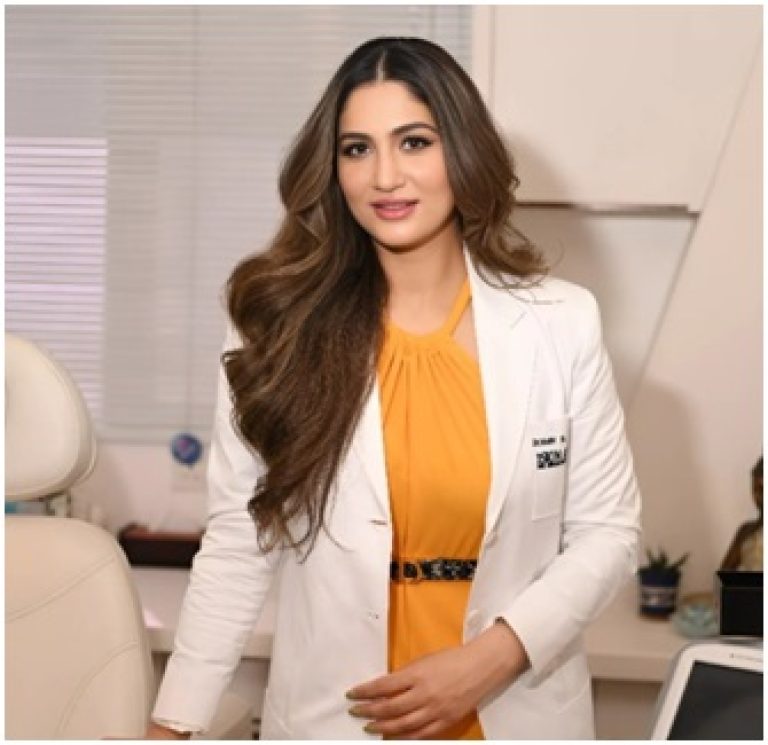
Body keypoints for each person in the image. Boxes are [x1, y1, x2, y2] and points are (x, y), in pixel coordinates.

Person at [147, 37, 641, 740]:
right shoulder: (275, 328)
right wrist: (172, 725)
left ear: (461, 151)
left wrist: (489, 660)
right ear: (333, 169)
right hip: (335, 718)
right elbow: (238, 542)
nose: (385, 176)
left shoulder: (560, 322)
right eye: (357, 149)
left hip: (513, 711)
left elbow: (607, 532)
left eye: (414, 142)